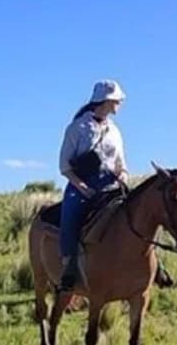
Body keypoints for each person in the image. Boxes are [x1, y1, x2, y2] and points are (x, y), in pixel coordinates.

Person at [56, 80, 130, 292]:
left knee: (139, 211)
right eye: (117, 99)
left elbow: (121, 164)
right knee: (70, 215)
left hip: (111, 186)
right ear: (106, 100)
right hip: (82, 186)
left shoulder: (115, 131)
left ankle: (154, 265)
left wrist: (123, 176)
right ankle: (69, 266)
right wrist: (82, 187)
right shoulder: (77, 128)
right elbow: (64, 166)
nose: (120, 103)